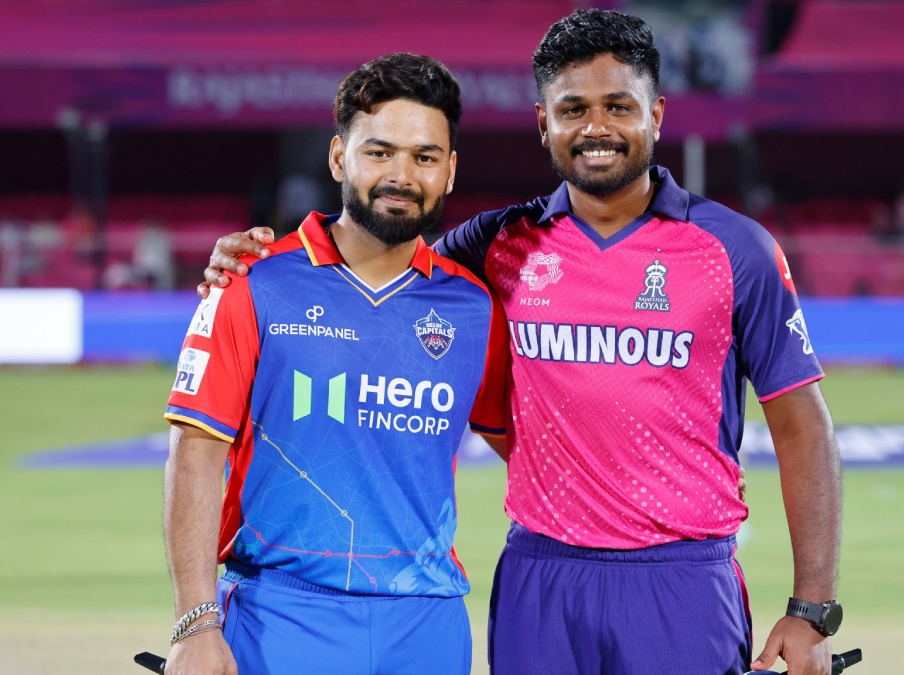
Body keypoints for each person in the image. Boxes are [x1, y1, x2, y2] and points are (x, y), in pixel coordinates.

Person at [200, 10, 842, 675]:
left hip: (680, 579)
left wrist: (812, 608)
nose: (596, 127)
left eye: (619, 106)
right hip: (540, 578)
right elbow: (377, 265)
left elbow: (803, 427)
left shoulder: (735, 250)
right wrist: (256, 260)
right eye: (573, 109)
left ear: (655, 115)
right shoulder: (495, 245)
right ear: (543, 122)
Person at [162, 53, 509, 675]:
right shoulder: (251, 282)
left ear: (450, 171)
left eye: (425, 157)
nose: (401, 175)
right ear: (338, 157)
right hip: (280, 616)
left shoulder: (475, 307)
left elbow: (530, 450)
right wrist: (197, 621)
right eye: (379, 152)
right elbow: (195, 453)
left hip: (428, 626)